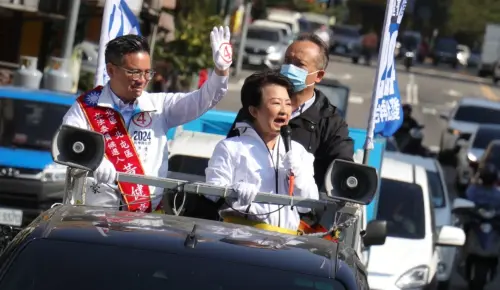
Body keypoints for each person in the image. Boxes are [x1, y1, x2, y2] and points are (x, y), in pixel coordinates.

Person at [62, 26, 232, 213]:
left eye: (147, 73)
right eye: (134, 72)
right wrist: (93, 159)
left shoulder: (159, 106)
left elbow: (203, 99)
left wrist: (220, 72)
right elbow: (66, 143)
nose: (142, 80)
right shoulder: (86, 108)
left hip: (144, 217)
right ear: (111, 70)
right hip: (93, 216)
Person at [206, 71, 319, 234]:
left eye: (287, 104)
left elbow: (307, 206)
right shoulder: (230, 147)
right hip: (241, 238)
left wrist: (299, 174)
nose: (283, 110)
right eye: (275, 103)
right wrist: (232, 190)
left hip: (287, 243)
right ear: (253, 111)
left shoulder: (298, 152)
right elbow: (211, 192)